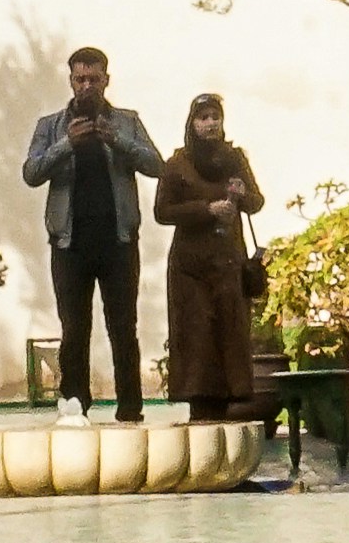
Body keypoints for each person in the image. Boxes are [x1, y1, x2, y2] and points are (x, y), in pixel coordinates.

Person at [21, 47, 158, 420]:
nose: (87, 86)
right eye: (80, 79)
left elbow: (156, 165)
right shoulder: (50, 126)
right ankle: (75, 404)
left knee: (123, 327)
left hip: (118, 241)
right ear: (70, 81)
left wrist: (116, 141)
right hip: (69, 243)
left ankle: (130, 407)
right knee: (74, 328)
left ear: (106, 80)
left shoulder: (127, 122)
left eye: (94, 79)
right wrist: (67, 144)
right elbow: (31, 173)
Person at [156, 95, 266, 422]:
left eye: (215, 117)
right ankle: (200, 412)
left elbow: (256, 202)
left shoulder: (235, 159)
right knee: (197, 341)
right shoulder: (177, 164)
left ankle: (228, 412)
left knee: (229, 336)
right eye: (203, 117)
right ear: (192, 123)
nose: (210, 124)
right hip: (190, 269)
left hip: (228, 263)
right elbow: (163, 211)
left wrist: (243, 195)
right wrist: (206, 210)